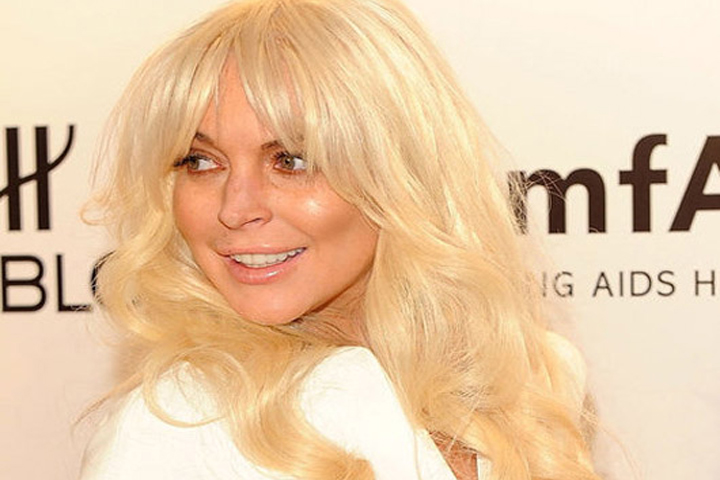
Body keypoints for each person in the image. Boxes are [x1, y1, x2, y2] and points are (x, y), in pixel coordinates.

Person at [80, 0, 599, 479]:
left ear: (401, 171)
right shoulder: (178, 423)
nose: (235, 209)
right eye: (200, 161)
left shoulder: (533, 379)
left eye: (291, 160)